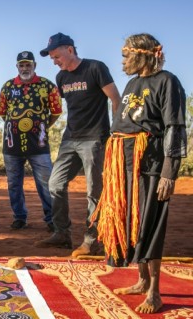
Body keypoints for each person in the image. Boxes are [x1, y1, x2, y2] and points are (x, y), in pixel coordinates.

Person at [91, 33, 187, 314]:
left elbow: (175, 127)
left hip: (150, 163)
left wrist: (169, 172)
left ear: (143, 54)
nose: (122, 62)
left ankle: (155, 293)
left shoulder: (167, 81)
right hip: (123, 163)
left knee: (150, 224)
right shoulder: (133, 83)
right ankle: (142, 281)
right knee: (131, 221)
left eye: (125, 56)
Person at [35, 33, 121, 257]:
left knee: (94, 191)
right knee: (55, 184)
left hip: (95, 138)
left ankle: (92, 240)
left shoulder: (96, 68)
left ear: (70, 50)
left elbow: (115, 99)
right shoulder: (61, 77)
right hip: (70, 139)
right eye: (52, 58)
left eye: (56, 56)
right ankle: (62, 233)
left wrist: (116, 132)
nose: (54, 61)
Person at [0, 51, 62, 231]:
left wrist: (41, 126)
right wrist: (16, 127)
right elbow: (3, 113)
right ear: (17, 66)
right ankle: (19, 218)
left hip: (39, 145)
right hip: (12, 145)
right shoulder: (8, 87)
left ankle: (51, 220)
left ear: (35, 66)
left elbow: (56, 112)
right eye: (21, 65)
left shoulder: (47, 85)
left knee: (46, 183)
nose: (25, 68)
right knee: (14, 184)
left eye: (28, 65)